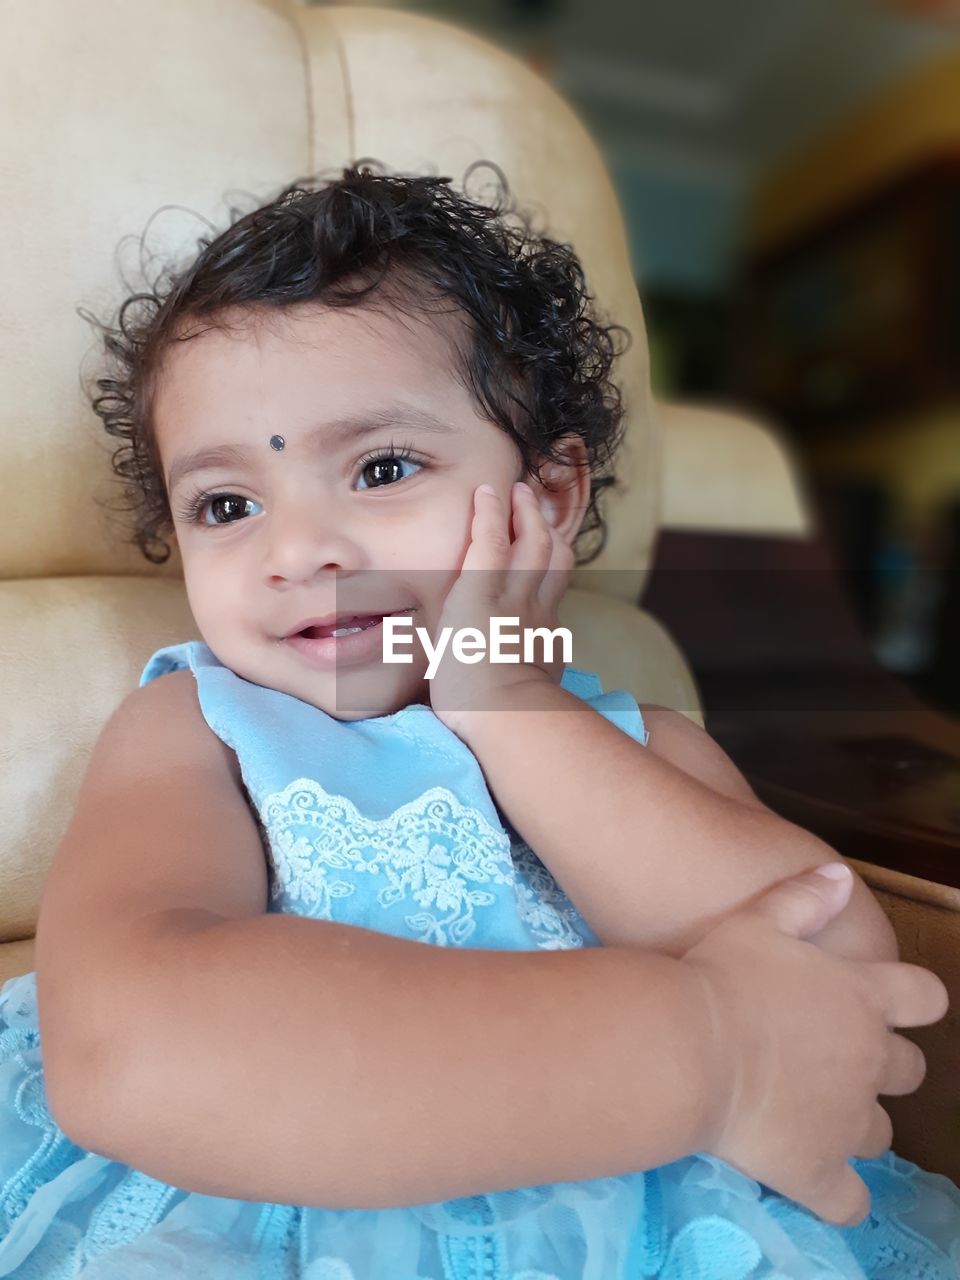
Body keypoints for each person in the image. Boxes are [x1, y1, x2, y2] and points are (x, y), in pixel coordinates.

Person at [0, 162, 956, 1279]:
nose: (298, 549)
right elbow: (132, 1044)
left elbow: (843, 980)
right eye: (226, 504)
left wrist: (506, 698)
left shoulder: (641, 742)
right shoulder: (200, 729)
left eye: (383, 466)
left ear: (547, 497)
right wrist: (710, 1052)